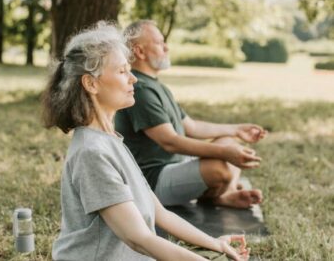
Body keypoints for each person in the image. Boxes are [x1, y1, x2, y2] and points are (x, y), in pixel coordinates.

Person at [42, 22, 250, 261]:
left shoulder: (111, 141)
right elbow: (138, 238)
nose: (133, 79)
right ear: (91, 84)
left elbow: (160, 213)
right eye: (122, 71)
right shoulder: (92, 153)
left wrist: (216, 245)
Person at [115, 20, 266, 208]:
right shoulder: (141, 90)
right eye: (160, 43)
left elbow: (192, 127)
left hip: (175, 166)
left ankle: (225, 194)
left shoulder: (156, 86)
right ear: (139, 51)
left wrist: (236, 130)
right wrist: (225, 153)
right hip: (152, 181)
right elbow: (170, 142)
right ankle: (222, 194)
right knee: (220, 168)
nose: (166, 47)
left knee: (229, 141)